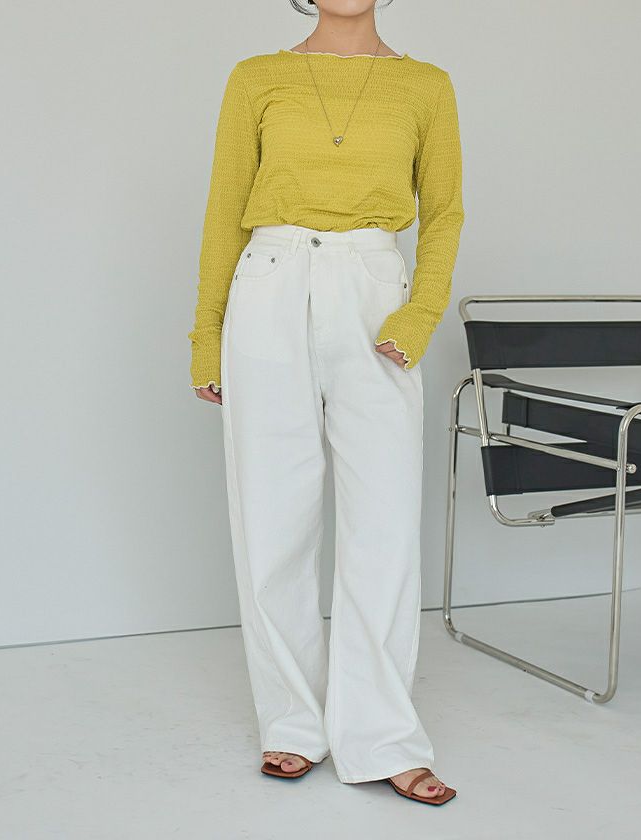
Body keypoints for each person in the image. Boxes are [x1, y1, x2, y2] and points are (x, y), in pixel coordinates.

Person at [187, 0, 464, 807]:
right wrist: (206, 336)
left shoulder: (427, 86)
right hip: (269, 286)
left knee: (385, 524)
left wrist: (416, 318)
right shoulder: (256, 78)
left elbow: (444, 211)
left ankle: (384, 738)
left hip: (374, 291)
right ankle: (292, 724)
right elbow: (223, 210)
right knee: (273, 520)